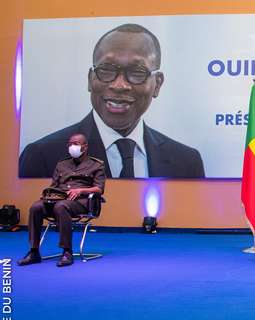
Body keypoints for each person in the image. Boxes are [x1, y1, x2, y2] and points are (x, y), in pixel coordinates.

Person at [19, 23, 205, 179]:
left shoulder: (186, 162)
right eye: (106, 70)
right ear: (91, 79)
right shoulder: (43, 156)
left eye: (137, 72)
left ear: (157, 84)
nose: (119, 85)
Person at [18, 133, 106, 267]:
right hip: (59, 199)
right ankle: (34, 251)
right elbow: (54, 186)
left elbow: (99, 189)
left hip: (81, 202)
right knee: (36, 207)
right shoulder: (62, 164)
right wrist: (48, 195)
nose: (72, 146)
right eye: (70, 144)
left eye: (76, 144)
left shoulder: (96, 165)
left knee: (61, 206)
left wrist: (81, 190)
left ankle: (67, 251)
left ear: (85, 146)